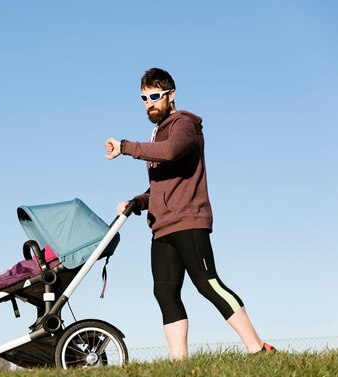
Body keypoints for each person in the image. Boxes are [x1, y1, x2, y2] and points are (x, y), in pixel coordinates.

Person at [104, 68, 275, 360]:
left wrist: (126, 147)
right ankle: (179, 362)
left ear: (171, 94)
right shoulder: (157, 132)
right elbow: (160, 187)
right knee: (165, 293)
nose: (149, 102)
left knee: (207, 283)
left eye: (155, 96)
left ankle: (258, 348)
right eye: (144, 98)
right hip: (162, 227)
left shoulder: (184, 124)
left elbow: (170, 152)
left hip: (189, 220)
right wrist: (138, 201)